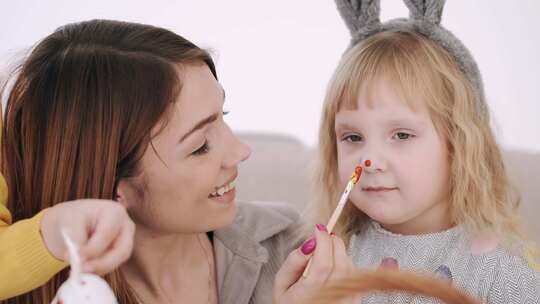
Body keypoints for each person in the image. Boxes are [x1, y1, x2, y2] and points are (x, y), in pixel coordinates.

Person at [0, 19, 353, 303]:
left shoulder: (286, 248)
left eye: (222, 115)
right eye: (200, 145)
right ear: (113, 186)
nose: (240, 151)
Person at [312, 0, 540, 302]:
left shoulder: (501, 271)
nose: (370, 161)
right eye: (353, 137)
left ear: (459, 144)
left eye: (402, 134)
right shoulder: (336, 257)